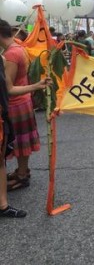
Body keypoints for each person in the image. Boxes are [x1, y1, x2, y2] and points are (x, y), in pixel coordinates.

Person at [0, 55, 50, 217]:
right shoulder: (6, 56)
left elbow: (8, 88)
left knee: (3, 158)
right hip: (10, 108)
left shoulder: (5, 57)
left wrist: (36, 85)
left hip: (9, 110)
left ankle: (3, 204)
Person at [0, 20, 44, 191]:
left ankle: (22, 176)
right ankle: (22, 172)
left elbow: (9, 88)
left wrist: (35, 86)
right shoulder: (19, 47)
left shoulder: (11, 54)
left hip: (16, 104)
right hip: (23, 101)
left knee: (18, 142)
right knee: (22, 141)